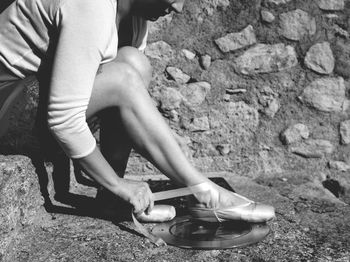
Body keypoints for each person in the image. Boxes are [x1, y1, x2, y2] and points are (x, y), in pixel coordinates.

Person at [0, 0, 275, 222]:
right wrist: (118, 183)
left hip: (32, 97)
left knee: (134, 62)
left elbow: (128, 102)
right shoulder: (90, 6)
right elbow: (64, 121)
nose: (178, 7)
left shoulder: (134, 17)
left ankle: (112, 203)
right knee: (123, 78)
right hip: (6, 106)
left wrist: (165, 138)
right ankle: (205, 192)